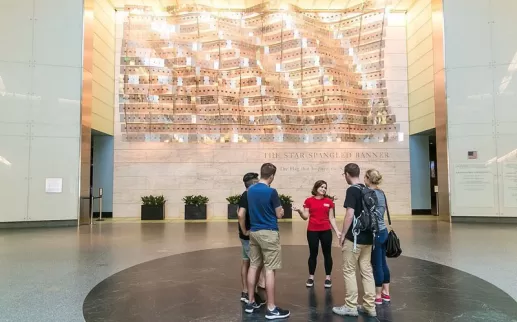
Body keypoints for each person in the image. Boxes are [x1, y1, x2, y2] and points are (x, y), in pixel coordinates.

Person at [245, 163, 290, 320]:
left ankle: (250, 302)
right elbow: (279, 214)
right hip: (269, 232)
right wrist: (281, 211)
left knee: (254, 265)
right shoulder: (271, 191)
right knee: (270, 269)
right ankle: (271, 308)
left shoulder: (250, 190)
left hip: (254, 232)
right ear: (271, 176)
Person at [332, 163, 376, 317]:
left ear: (347, 174)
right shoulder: (367, 189)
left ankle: (351, 306)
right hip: (369, 237)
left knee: (349, 270)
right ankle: (370, 306)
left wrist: (343, 234)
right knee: (366, 270)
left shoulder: (352, 190)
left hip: (355, 237)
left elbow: (350, 214)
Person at [293, 180, 341, 288]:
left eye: (325, 187)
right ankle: (311, 277)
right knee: (313, 254)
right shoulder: (309, 201)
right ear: (316, 188)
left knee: (327, 254)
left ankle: (328, 277)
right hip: (312, 231)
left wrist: (337, 231)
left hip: (326, 231)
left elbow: (331, 218)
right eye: (321, 187)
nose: (323, 189)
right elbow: (305, 216)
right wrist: (300, 211)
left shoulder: (329, 202)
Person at [237, 172, 267, 306]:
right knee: (256, 265)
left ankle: (245, 292)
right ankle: (253, 297)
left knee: (246, 262)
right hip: (248, 236)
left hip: (245, 236)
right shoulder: (248, 195)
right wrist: (244, 231)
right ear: (254, 183)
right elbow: (240, 214)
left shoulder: (245, 195)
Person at [364, 169, 391, 305]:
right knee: (383, 263)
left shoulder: (369, 194)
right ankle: (386, 292)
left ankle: (378, 294)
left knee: (377, 265)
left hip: (375, 232)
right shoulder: (382, 193)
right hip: (384, 230)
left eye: (365, 176)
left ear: (368, 178)